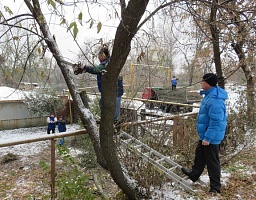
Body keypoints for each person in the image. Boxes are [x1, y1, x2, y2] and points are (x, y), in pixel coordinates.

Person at [181, 73, 228, 194]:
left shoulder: (214, 100)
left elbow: (216, 121)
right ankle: (194, 174)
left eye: (202, 81)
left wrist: (208, 138)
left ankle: (215, 188)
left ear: (208, 83)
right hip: (206, 134)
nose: (201, 82)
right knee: (200, 155)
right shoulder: (209, 95)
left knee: (212, 162)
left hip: (211, 136)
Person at [75, 45, 124, 123]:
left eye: (100, 56)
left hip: (115, 90)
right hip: (108, 91)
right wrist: (85, 70)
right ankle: (106, 119)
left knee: (115, 107)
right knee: (102, 103)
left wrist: (86, 68)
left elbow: (96, 69)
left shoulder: (107, 64)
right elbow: (98, 70)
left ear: (104, 55)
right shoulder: (107, 64)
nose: (98, 57)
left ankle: (114, 121)